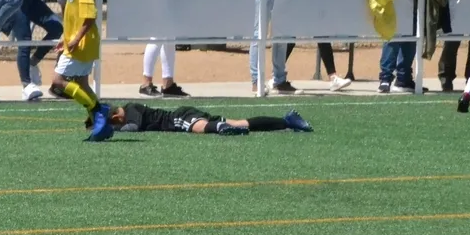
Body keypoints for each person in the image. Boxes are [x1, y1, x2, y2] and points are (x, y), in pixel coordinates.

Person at [48, 0, 112, 142]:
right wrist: (65, 39)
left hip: (81, 45)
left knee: (58, 81)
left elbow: (89, 17)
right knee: (82, 84)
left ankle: (98, 110)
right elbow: (75, 19)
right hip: (81, 43)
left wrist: (75, 39)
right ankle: (100, 124)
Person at [104, 103, 313, 135]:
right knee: (240, 123)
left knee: (198, 127)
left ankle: (220, 128)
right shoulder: (127, 112)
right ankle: (286, 121)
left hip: (179, 117)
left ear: (116, 116)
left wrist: (109, 131)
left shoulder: (130, 109)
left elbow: (133, 127)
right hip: (186, 115)